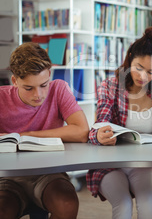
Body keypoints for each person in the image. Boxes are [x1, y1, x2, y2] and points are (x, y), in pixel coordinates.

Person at [86, 26, 152, 219]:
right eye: (139, 68)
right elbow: (99, 125)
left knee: (148, 204)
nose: (143, 76)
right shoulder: (110, 86)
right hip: (110, 164)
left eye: (151, 71)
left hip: (144, 164)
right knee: (123, 205)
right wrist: (98, 135)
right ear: (130, 58)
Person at [0, 42, 89, 219]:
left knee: (67, 204)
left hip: (50, 173)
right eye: (28, 88)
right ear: (15, 81)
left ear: (49, 74)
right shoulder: (1, 98)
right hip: (8, 178)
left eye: (43, 85)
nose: (38, 95)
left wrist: (25, 136)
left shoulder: (59, 89)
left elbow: (81, 131)